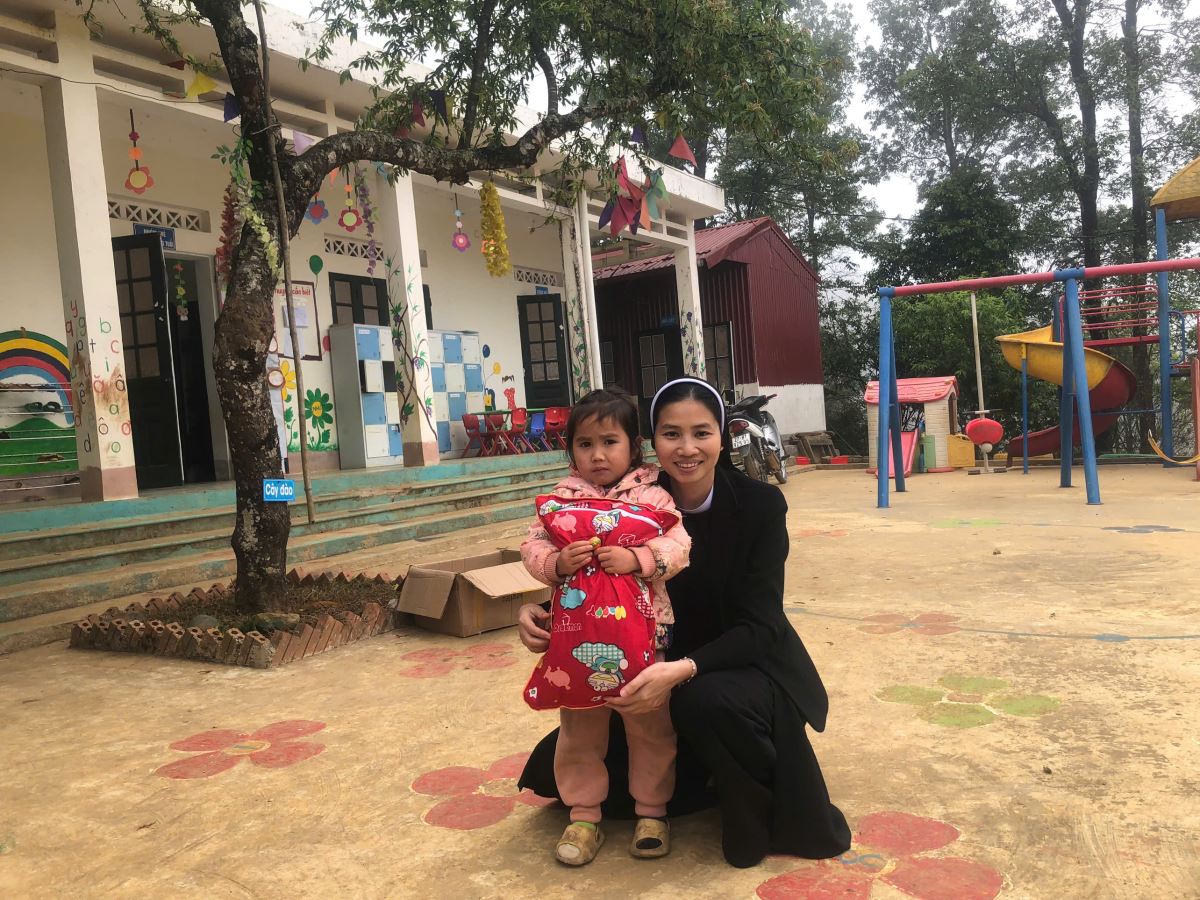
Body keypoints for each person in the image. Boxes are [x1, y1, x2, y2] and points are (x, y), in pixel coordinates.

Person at [518, 377, 851, 868]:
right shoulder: (630, 501)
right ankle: (679, 780)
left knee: (702, 701)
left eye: (702, 432)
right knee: (561, 760)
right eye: (672, 434)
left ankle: (743, 797)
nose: (687, 448)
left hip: (741, 663)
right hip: (651, 658)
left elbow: (762, 625)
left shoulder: (756, 505)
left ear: (723, 436)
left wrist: (682, 670)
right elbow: (592, 576)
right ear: (652, 442)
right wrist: (539, 612)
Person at [519, 387, 691, 866]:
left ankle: (652, 812)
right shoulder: (560, 501)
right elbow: (531, 546)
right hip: (576, 640)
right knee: (579, 728)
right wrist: (555, 563)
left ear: (633, 447)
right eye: (585, 444)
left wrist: (639, 560)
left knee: (650, 726)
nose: (597, 455)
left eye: (609, 442)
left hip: (645, 638)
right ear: (571, 451)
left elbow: (680, 545)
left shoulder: (654, 497)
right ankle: (583, 815)